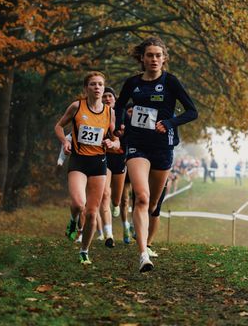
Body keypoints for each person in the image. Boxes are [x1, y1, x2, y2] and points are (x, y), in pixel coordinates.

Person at [114, 36, 198, 272]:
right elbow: (120, 104)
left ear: (164, 59)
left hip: (163, 146)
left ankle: (144, 236)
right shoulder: (132, 83)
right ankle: (143, 254)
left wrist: (170, 123)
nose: (154, 59)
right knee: (140, 197)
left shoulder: (171, 82)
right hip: (137, 144)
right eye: (149, 55)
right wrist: (120, 124)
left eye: (158, 55)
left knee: (151, 204)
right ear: (142, 58)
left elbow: (192, 112)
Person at [55, 71, 119, 265]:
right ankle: (74, 221)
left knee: (92, 212)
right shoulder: (77, 106)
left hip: (99, 163)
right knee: (78, 204)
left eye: (100, 84)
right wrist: (64, 143)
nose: (97, 87)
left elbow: (114, 137)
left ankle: (84, 250)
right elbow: (58, 126)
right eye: (93, 84)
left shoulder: (110, 112)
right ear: (86, 88)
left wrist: (113, 144)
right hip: (78, 161)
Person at [100, 87, 128, 248]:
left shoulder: (122, 115)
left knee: (116, 198)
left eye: (110, 96)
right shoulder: (97, 114)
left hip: (120, 158)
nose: (107, 98)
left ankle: (116, 205)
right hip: (104, 157)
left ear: (115, 99)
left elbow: (129, 135)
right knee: (105, 194)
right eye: (104, 97)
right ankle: (109, 234)